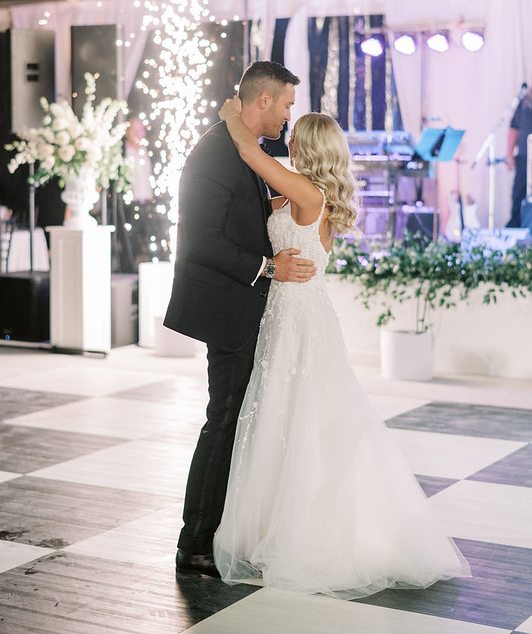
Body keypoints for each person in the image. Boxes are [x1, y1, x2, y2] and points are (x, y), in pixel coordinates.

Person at [213, 100, 471, 599]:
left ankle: (306, 531)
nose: (286, 138)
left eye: (293, 136)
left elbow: (248, 152)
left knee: (304, 417)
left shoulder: (308, 194)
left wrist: (230, 115)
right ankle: (273, 523)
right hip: (282, 316)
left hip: (303, 320)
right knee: (281, 418)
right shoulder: (291, 199)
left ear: (302, 147)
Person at [163, 61, 317, 578]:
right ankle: (195, 543)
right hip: (225, 310)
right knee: (224, 421)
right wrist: (269, 266)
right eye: (287, 104)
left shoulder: (240, 149)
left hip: (242, 307)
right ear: (264, 101)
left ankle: (216, 532)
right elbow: (201, 240)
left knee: (233, 422)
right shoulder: (215, 154)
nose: (289, 116)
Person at [506, 88, 532, 227]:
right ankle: (515, 226)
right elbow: (514, 127)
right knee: (519, 193)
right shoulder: (524, 100)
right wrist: (509, 153)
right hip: (524, 157)